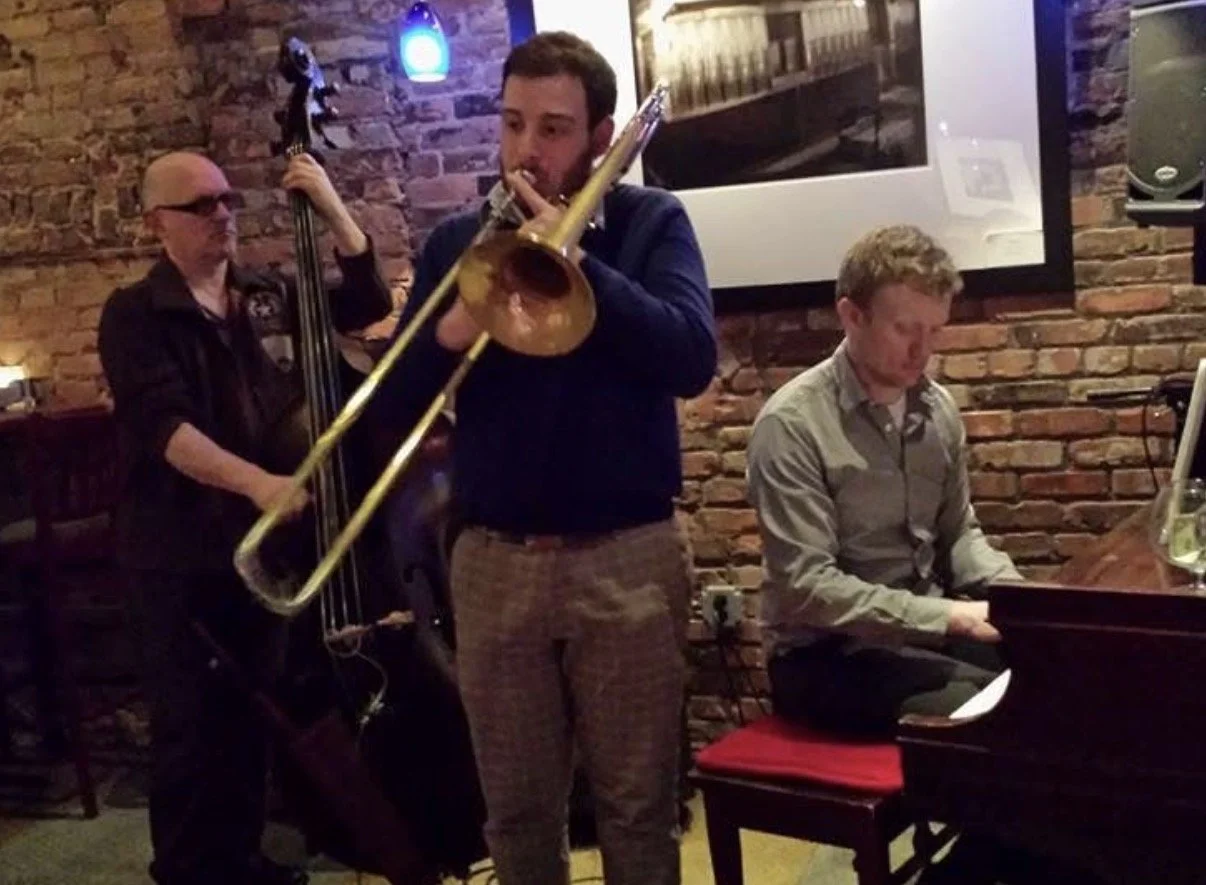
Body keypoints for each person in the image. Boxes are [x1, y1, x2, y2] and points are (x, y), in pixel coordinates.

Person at [371, 30, 717, 885]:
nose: (528, 148)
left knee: (639, 808)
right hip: (495, 561)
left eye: (555, 128)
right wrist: (452, 326)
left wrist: (579, 260)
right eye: (514, 123)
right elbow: (393, 402)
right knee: (519, 814)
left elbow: (689, 356)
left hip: (628, 557)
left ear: (601, 137)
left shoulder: (649, 224)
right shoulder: (458, 242)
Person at [97, 150, 391, 885]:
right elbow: (164, 430)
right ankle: (190, 869)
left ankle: (239, 858)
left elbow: (367, 303)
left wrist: (332, 207)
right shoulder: (134, 313)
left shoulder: (263, 293)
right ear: (154, 223)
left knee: (249, 719)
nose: (220, 215)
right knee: (190, 728)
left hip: (260, 553)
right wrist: (259, 483)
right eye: (199, 206)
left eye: (226, 200)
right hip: (178, 553)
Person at [746, 224, 1021, 738]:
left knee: (1058, 678)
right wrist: (951, 617)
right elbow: (809, 589)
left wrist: (1024, 603)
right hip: (821, 654)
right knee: (995, 715)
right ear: (852, 316)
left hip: (917, 629)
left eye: (934, 331)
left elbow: (958, 533)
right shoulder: (791, 424)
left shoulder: (937, 411)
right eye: (904, 329)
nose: (922, 351)